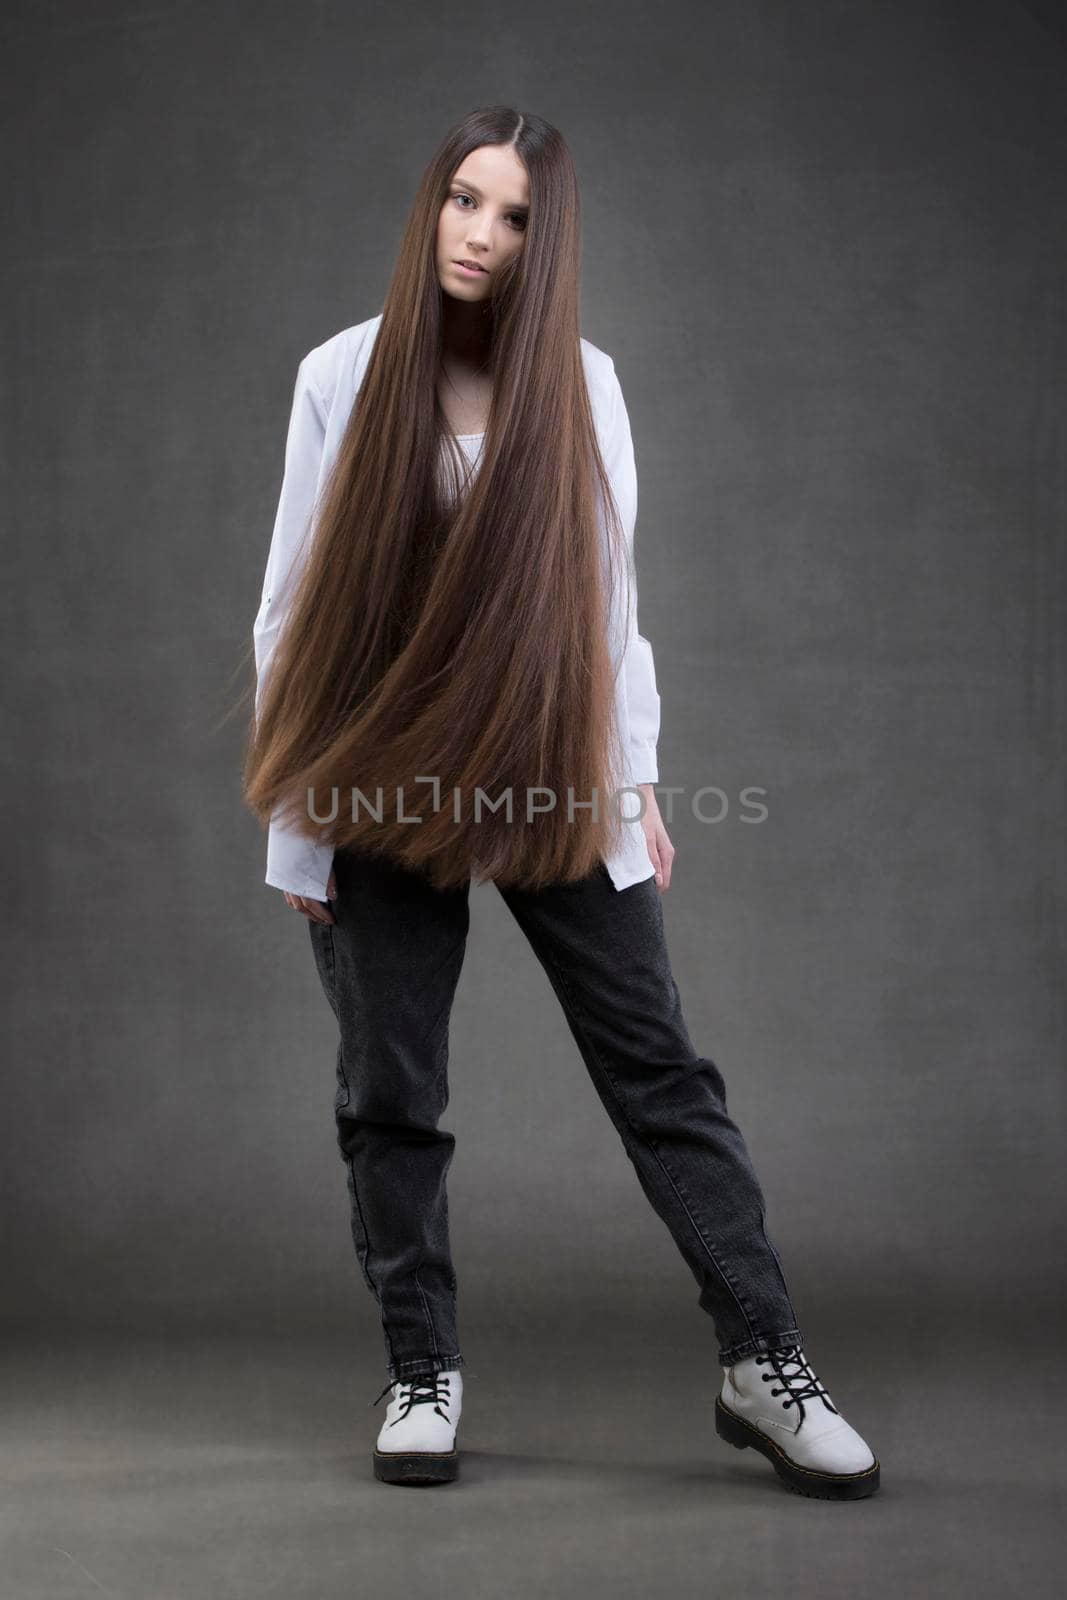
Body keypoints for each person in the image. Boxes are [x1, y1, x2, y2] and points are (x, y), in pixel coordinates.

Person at [243, 106, 880, 1500]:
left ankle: (763, 1360)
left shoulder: (583, 387)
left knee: (661, 1074)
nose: (480, 234)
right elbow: (291, 610)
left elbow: (612, 611)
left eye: (514, 215)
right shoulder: (341, 378)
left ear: (548, 237)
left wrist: (633, 786)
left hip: (546, 767)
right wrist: (298, 820)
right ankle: (422, 1368)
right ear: (432, 208)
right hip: (375, 775)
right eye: (464, 202)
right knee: (392, 1089)